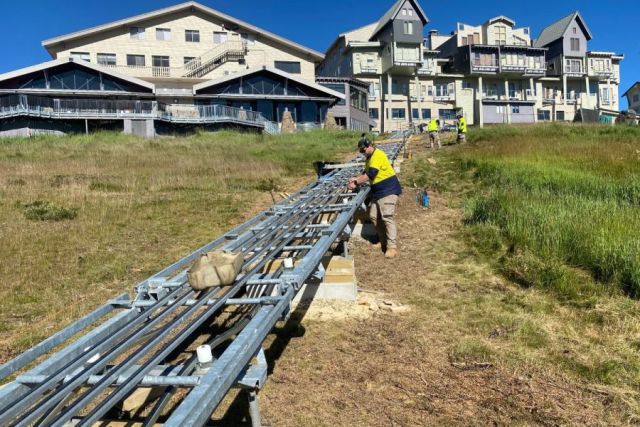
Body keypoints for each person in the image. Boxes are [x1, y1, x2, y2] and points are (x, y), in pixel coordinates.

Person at [348, 134, 402, 258]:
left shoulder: (378, 155)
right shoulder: (369, 158)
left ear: (369, 146)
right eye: (361, 151)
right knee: (373, 216)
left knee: (387, 217)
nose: (362, 152)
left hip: (388, 190)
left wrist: (356, 183)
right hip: (378, 192)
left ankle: (392, 247)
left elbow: (371, 174)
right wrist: (356, 178)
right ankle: (382, 241)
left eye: (363, 150)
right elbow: (365, 172)